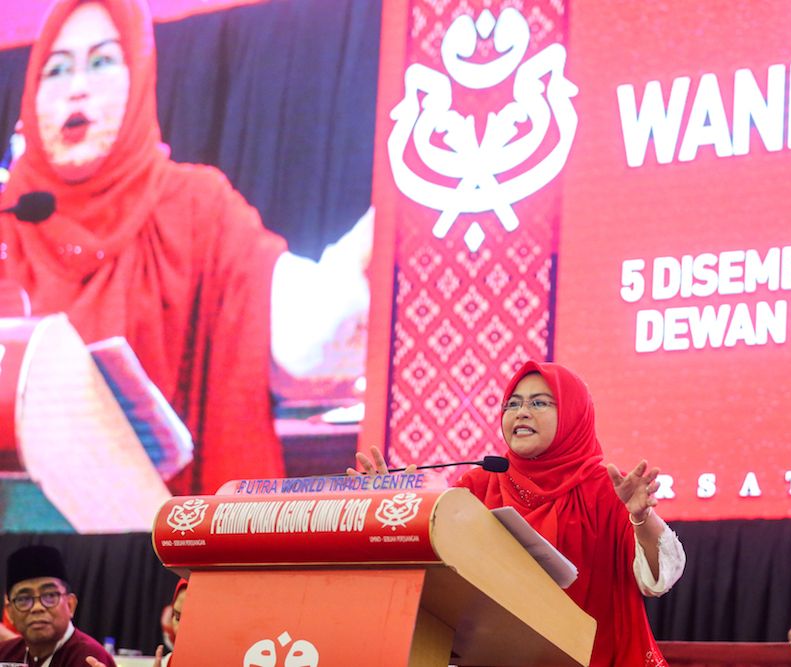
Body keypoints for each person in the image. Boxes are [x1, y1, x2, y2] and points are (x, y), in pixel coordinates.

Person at [0, 0, 371, 495]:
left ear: (140, 78)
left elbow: (301, 336)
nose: (77, 86)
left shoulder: (195, 207)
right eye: (57, 69)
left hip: (161, 544)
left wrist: (387, 226)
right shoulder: (11, 219)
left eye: (104, 61)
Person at [355, 360, 685, 667]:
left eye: (539, 402)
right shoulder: (477, 484)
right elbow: (435, 566)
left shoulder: (607, 488)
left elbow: (657, 580)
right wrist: (391, 505)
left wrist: (642, 518)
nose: (521, 412)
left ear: (574, 414)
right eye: (512, 404)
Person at [0, 545, 117, 667]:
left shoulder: (90, 657)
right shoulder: (4, 653)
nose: (37, 607)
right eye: (24, 599)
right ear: (10, 613)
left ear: (70, 604)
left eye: (50, 596)